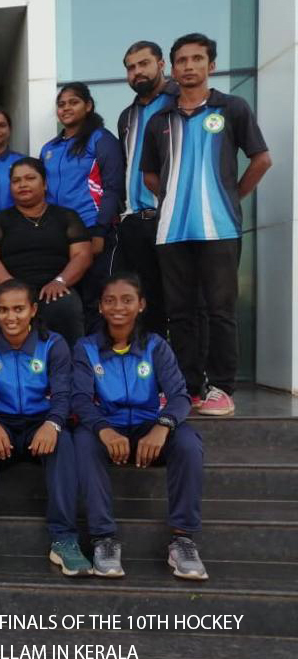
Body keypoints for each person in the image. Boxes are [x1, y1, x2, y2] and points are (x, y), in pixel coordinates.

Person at [141, 33, 271, 416]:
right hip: (171, 231)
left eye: (197, 59)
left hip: (220, 229)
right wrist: (175, 198)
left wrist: (231, 196)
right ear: (172, 67)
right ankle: (188, 388)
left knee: (220, 311)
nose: (189, 66)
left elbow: (261, 159)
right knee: (180, 313)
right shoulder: (159, 120)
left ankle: (222, 388)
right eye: (182, 60)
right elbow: (150, 176)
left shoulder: (232, 108)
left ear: (211, 65)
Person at [73, 274, 207, 580]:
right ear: (100, 307)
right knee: (82, 441)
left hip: (150, 426)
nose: (118, 307)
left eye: (127, 300)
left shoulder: (156, 346)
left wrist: (162, 426)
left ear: (141, 305)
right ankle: (103, 539)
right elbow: (79, 399)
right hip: (109, 427)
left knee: (188, 443)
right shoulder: (86, 347)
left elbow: (179, 397)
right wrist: (103, 429)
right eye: (110, 301)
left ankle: (183, 540)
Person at [0, 279, 91, 577]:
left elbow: (63, 395)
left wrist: (53, 424)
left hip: (39, 424)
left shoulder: (53, 344)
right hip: (0, 424)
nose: (11, 317)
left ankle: (64, 539)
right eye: (3, 310)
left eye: (18, 309)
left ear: (33, 310)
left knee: (64, 442)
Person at [0, 157, 93, 347]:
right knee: (1, 304)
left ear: (45, 184)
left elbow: (83, 255)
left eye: (30, 178)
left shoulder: (66, 217)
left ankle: (70, 361)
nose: (22, 184)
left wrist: (60, 281)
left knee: (65, 305)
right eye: (16, 181)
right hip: (10, 286)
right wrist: (12, 286)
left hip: (56, 287)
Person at [40, 83, 125, 330]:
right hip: (60, 234)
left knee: (96, 297)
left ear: (88, 106)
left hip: (93, 230)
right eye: (61, 104)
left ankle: (99, 349)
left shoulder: (101, 139)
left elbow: (113, 188)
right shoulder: (49, 148)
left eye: (73, 102)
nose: (66, 108)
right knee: (64, 298)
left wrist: (100, 231)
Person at [114, 42, 179, 338]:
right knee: (145, 304)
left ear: (161, 64)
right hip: (135, 222)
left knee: (181, 301)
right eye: (131, 67)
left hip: (171, 217)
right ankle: (155, 363)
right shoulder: (127, 116)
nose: (137, 72)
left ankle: (187, 366)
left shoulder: (180, 101)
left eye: (144, 64)